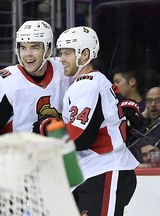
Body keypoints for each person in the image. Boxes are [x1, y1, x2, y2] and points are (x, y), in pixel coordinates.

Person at [56, 26, 139, 216]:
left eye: (67, 53)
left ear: (85, 54)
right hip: (94, 174)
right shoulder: (93, 81)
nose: (62, 59)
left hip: (104, 171)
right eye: (62, 53)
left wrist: (48, 132)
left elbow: (79, 139)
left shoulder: (87, 85)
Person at [0, 20, 72, 138]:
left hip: (58, 151)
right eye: (23, 48)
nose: (27, 54)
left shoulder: (66, 71)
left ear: (48, 50)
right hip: (19, 153)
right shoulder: (3, 82)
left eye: (34, 47)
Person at [136, 86, 160, 166]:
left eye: (157, 100)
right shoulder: (142, 123)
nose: (153, 104)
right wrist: (142, 117)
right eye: (149, 101)